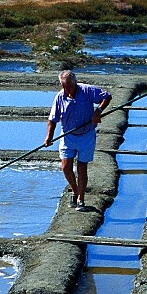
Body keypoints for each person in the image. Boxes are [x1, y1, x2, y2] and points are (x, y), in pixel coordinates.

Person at [44, 70, 111, 211]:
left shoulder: (87, 90)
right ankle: (74, 191)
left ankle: (81, 199)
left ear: (75, 82)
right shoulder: (59, 97)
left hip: (86, 135)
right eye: (64, 86)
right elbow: (52, 119)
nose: (67, 89)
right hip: (67, 135)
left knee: (82, 167)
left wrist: (98, 111)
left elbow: (107, 96)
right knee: (65, 166)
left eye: (69, 86)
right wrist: (49, 136)